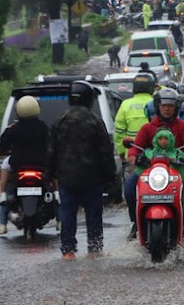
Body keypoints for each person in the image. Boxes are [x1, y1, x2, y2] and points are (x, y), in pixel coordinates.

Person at [125, 88, 184, 255]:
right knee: (129, 187)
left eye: (170, 105)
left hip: (177, 172)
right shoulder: (148, 128)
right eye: (163, 105)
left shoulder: (183, 126)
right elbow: (135, 149)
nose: (167, 108)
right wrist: (134, 158)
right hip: (151, 173)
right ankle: (136, 223)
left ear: (176, 107)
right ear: (157, 106)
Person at [48, 81, 117, 259]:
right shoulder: (95, 121)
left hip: (67, 178)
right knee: (94, 215)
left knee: (67, 213)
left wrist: (51, 174)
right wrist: (110, 177)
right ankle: (94, 250)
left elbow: (51, 151)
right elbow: (105, 152)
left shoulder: (60, 120)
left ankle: (68, 251)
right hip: (92, 179)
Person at [0, 96, 53, 234]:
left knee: (4, 168)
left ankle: (2, 220)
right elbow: (52, 145)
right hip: (41, 164)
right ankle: (59, 214)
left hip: (17, 164)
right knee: (55, 173)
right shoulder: (43, 127)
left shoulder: (13, 129)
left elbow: (2, 147)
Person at [114, 74, 155, 164]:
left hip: (132, 157)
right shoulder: (157, 103)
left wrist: (122, 153)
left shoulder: (126, 104)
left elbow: (119, 133)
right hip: (157, 155)